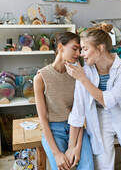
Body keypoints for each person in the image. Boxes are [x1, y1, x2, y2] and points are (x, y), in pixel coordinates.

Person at [65, 24, 121, 170]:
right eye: (81, 49)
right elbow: (78, 110)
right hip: (99, 120)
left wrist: (83, 80)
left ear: (100, 48)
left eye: (85, 49)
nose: (81, 54)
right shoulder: (84, 72)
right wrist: (71, 147)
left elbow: (110, 101)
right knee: (103, 167)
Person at [34, 32, 94, 170]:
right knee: (60, 166)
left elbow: (80, 113)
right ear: (60, 47)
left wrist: (77, 147)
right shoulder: (41, 77)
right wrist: (56, 154)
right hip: (53, 130)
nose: (78, 53)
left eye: (80, 50)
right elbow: (43, 119)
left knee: (87, 166)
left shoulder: (77, 74)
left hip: (76, 129)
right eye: (74, 49)